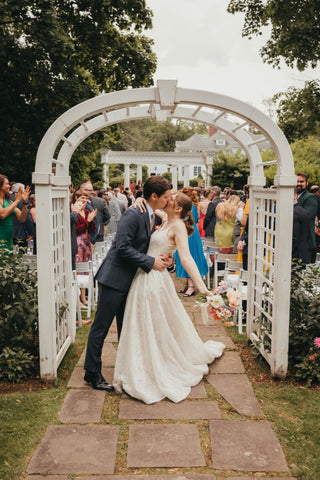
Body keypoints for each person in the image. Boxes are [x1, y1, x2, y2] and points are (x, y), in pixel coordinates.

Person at [113, 192, 225, 404]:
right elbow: (151, 205)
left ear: (178, 209)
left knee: (155, 322)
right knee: (143, 322)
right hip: (143, 276)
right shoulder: (165, 220)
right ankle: (142, 361)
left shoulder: (178, 227)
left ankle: (157, 364)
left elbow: (186, 257)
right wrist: (139, 200)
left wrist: (202, 287)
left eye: (171, 199)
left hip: (155, 281)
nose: (167, 199)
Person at [83, 176, 172, 391]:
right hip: (114, 279)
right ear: (154, 196)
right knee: (101, 328)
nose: (169, 200)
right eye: (166, 197)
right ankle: (92, 373)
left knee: (126, 327)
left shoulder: (152, 214)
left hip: (130, 280)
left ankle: (126, 370)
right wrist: (151, 262)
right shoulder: (133, 214)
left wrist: (164, 257)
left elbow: (146, 243)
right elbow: (122, 247)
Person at [174, 187, 208, 297]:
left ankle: (191, 286)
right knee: (185, 257)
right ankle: (188, 284)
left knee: (190, 256)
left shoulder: (188, 207)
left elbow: (188, 219)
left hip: (189, 233)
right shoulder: (194, 206)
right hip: (192, 232)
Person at [71, 189, 97, 307]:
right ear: (76, 198)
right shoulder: (74, 212)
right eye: (82, 198)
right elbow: (78, 229)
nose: (84, 200)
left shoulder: (86, 212)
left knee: (86, 270)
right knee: (78, 269)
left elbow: (91, 230)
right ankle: (77, 298)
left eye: (86, 198)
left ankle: (83, 296)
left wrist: (91, 221)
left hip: (86, 244)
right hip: (77, 244)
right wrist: (88, 220)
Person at [0, 174, 30, 250]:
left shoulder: (9, 201)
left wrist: (25, 202)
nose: (9, 186)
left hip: (8, 242)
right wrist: (17, 201)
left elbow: (22, 218)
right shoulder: (12, 202)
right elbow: (2, 214)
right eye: (7, 184)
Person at [296, 172, 318, 263]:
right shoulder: (290, 196)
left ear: (307, 183)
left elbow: (306, 217)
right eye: (297, 181)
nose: (299, 184)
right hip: (294, 242)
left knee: (303, 273)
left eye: (302, 181)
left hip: (305, 242)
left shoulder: (310, 198)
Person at [292, 187, 310, 264]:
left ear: (295, 196)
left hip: (296, 255)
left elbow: (294, 238)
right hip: (302, 252)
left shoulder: (294, 212)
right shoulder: (301, 210)